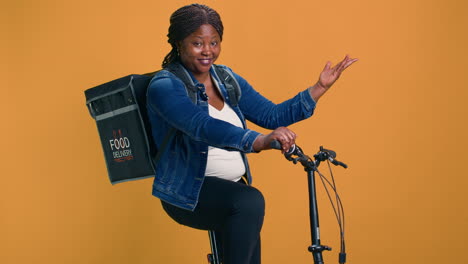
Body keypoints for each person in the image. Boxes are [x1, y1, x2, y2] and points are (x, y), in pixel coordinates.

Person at [146, 4, 357, 264]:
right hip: (187, 193)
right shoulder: (165, 85)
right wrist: (257, 141)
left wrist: (319, 88)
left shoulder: (226, 79)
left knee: (247, 217)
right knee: (250, 201)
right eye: (197, 43)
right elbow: (200, 125)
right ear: (179, 44)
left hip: (232, 193)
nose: (208, 51)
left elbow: (272, 115)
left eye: (214, 42)